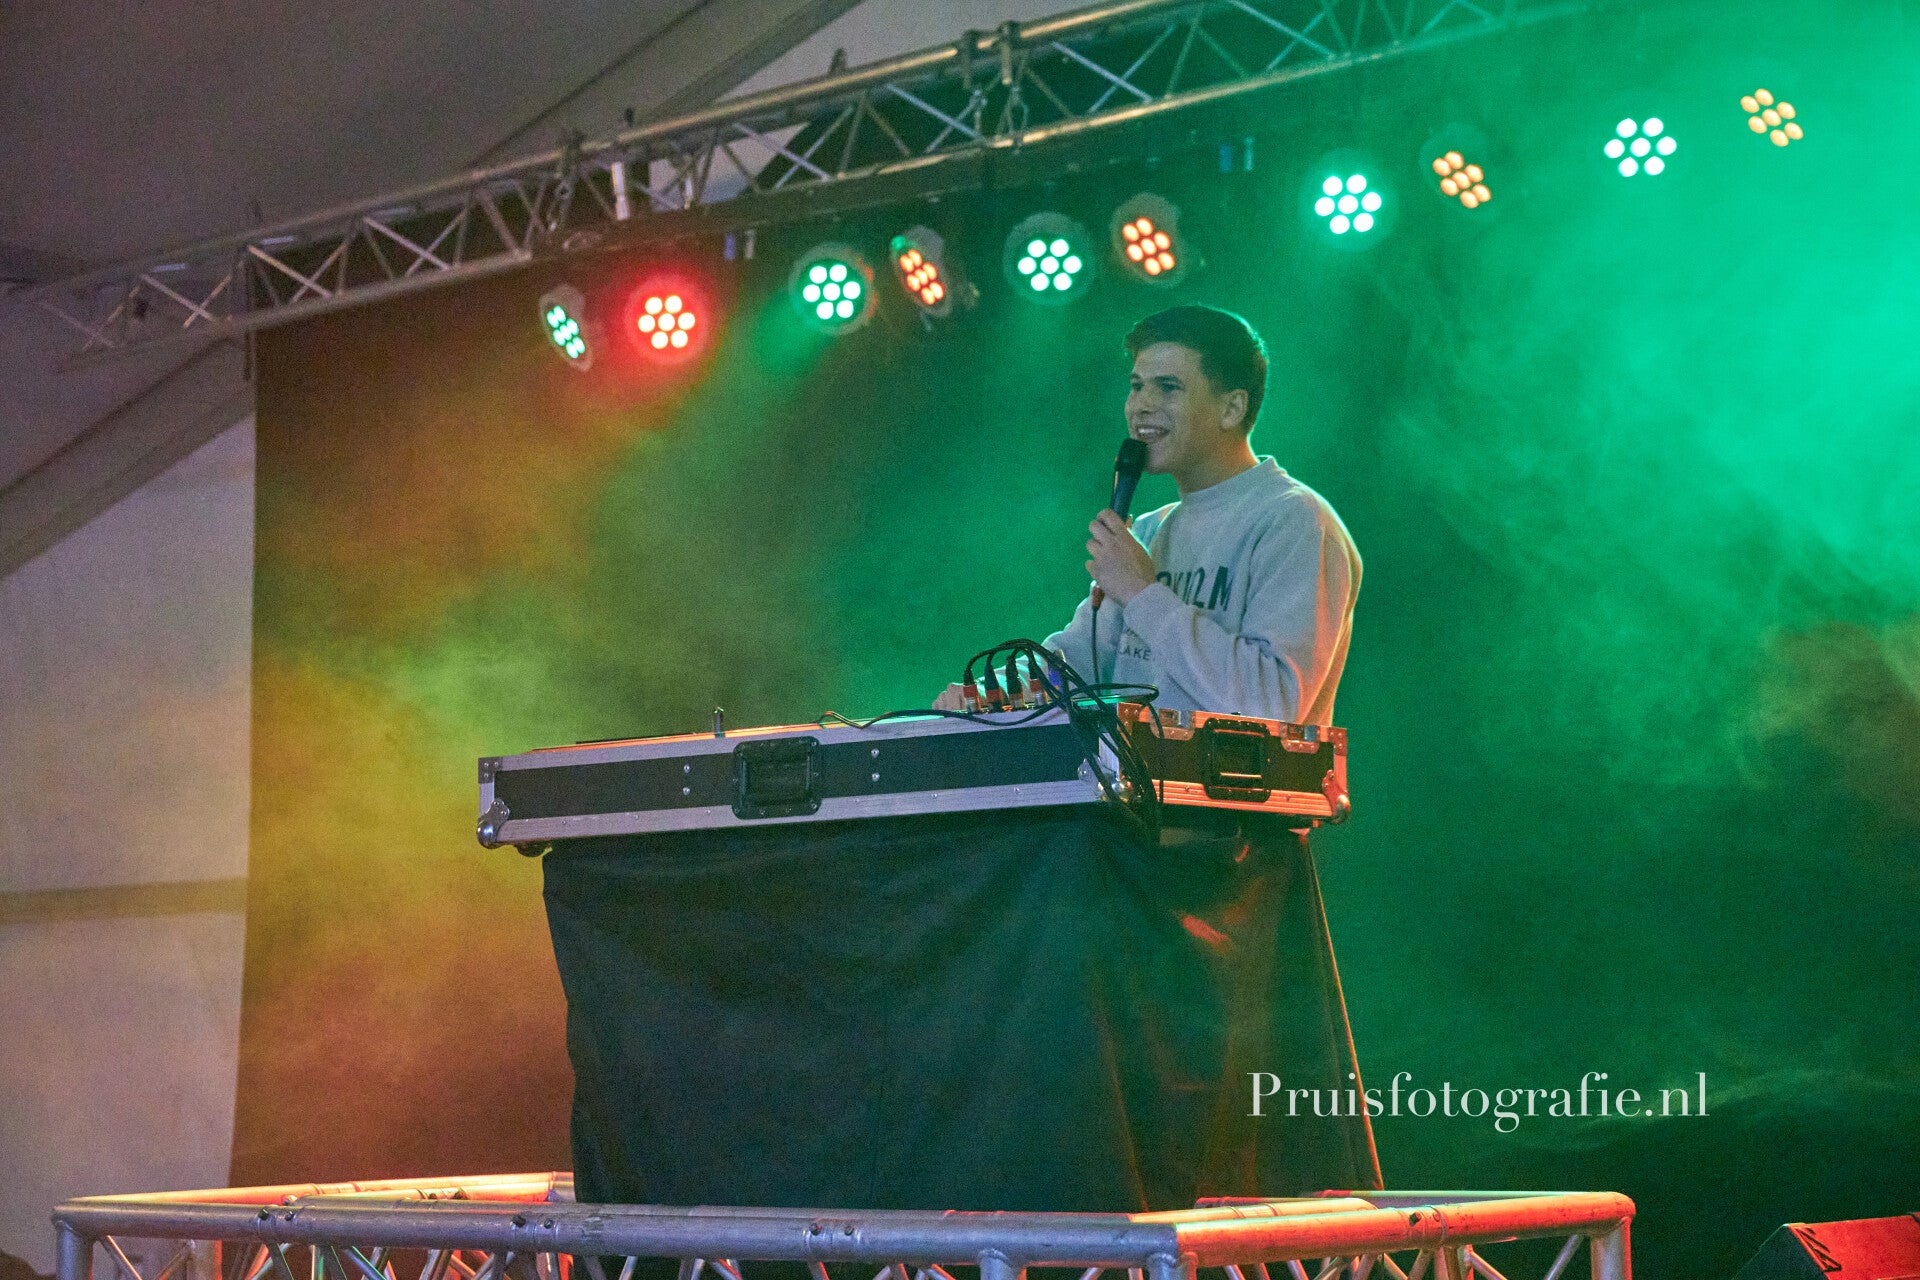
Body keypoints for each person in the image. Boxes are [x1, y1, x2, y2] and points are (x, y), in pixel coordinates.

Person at [1046, 305, 1361, 725]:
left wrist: (1142, 594)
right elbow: (1073, 667)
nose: (1141, 405)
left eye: (1168, 387)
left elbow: (1273, 703)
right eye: (1137, 386)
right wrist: (982, 696)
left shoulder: (1294, 521)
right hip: (1129, 770)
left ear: (1231, 408)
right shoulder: (1150, 529)